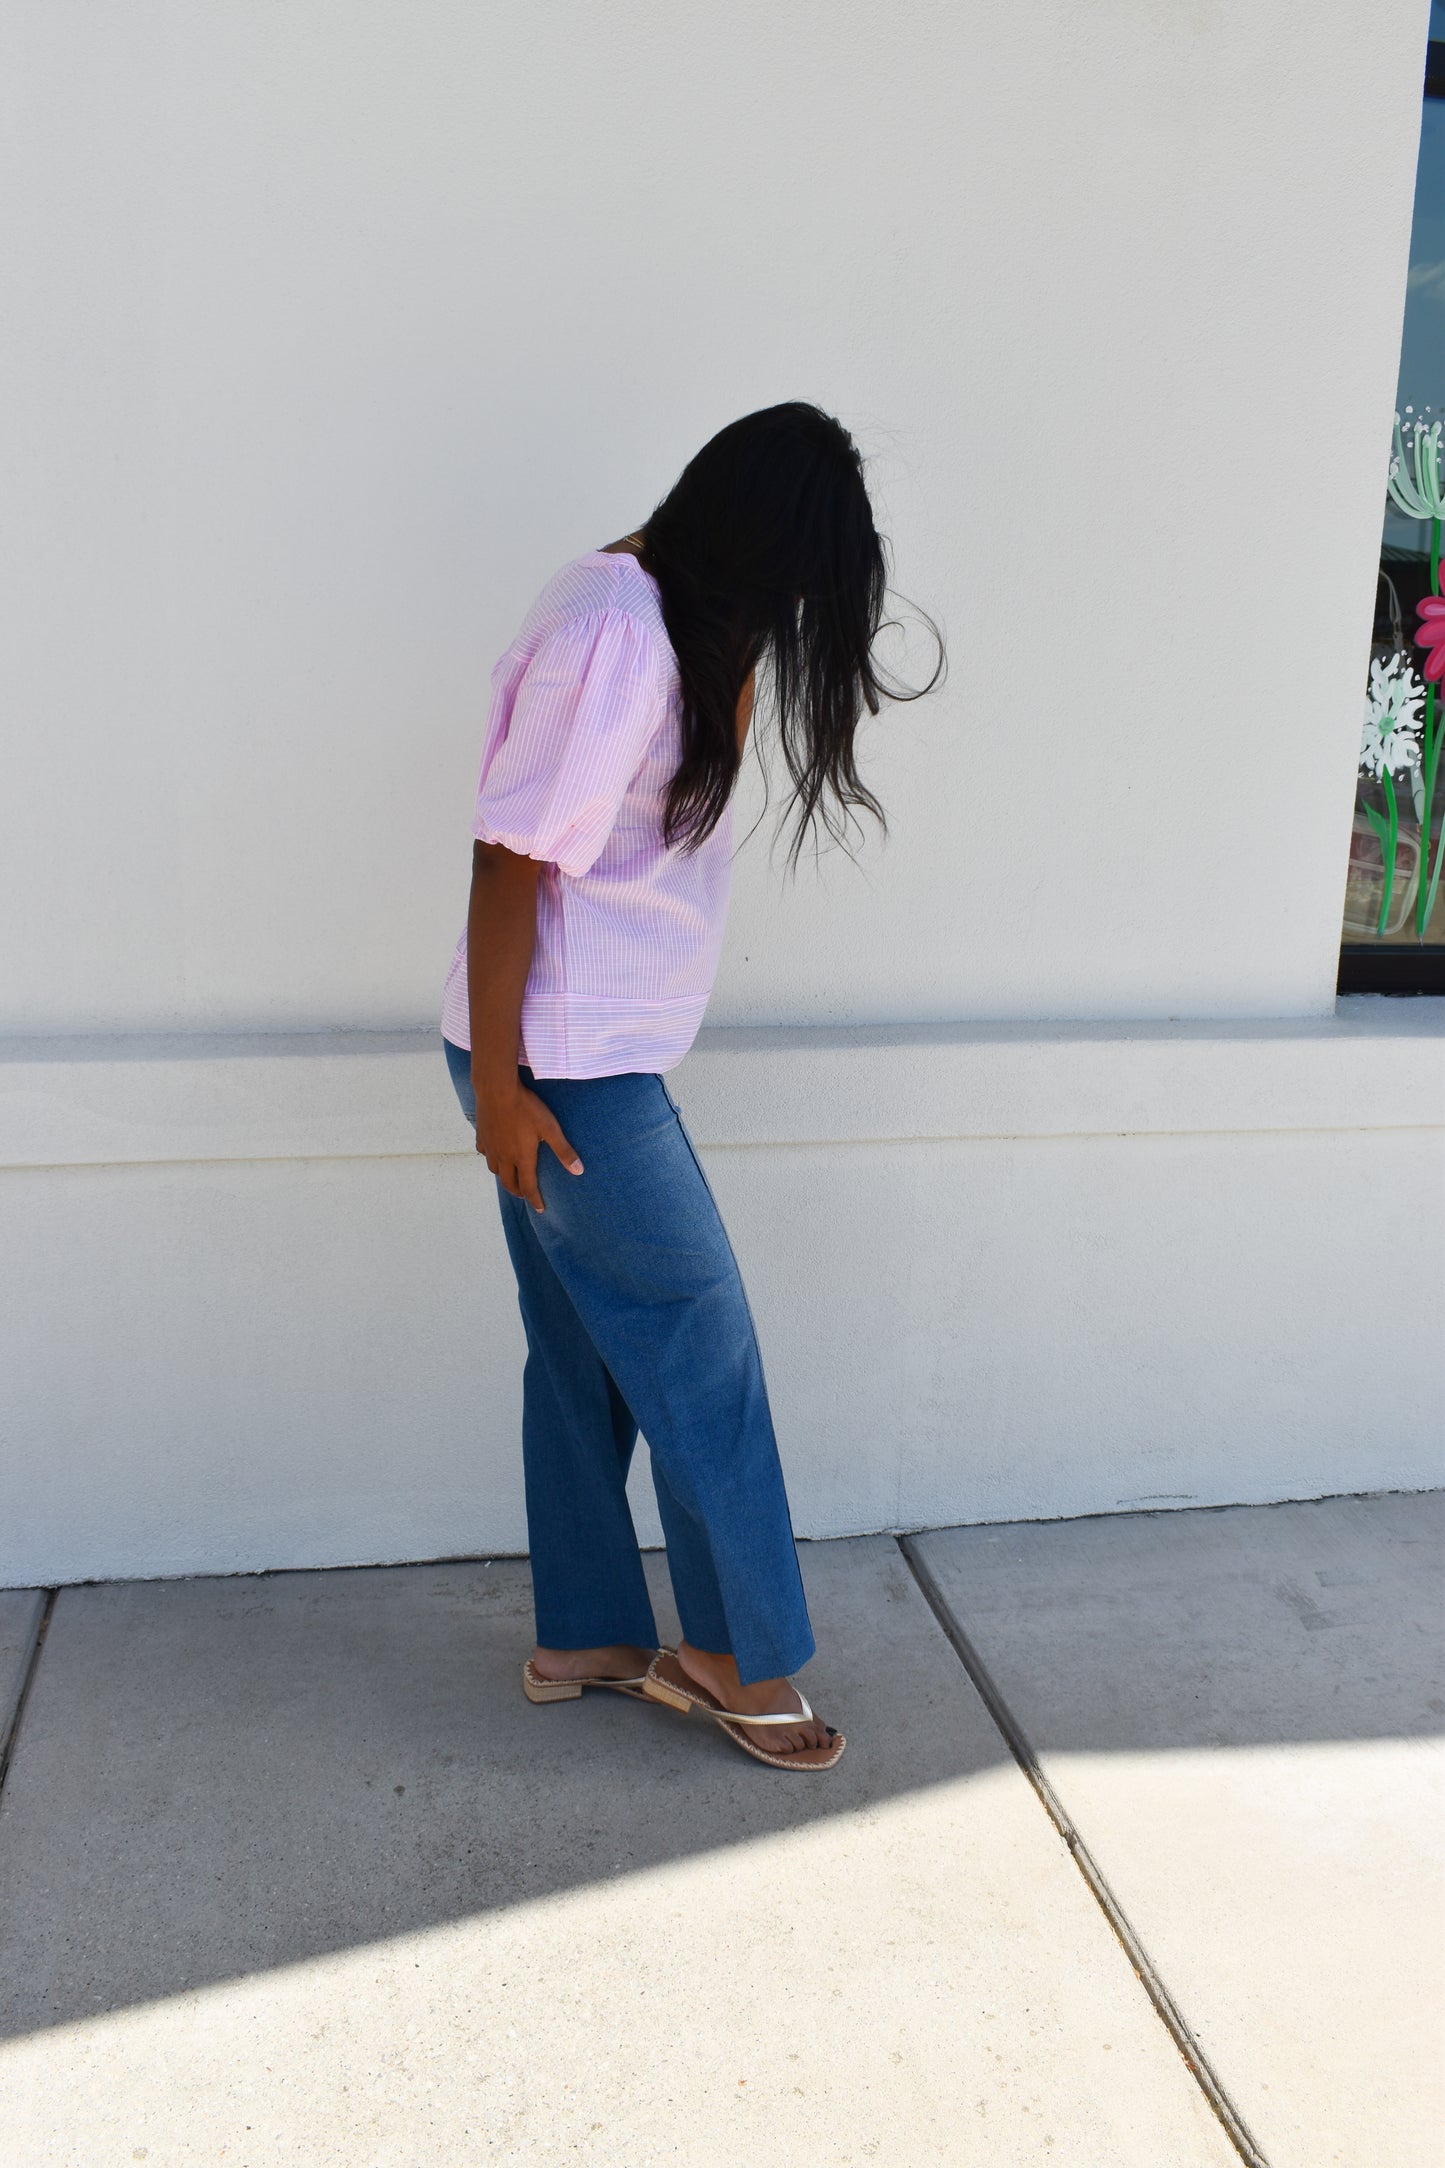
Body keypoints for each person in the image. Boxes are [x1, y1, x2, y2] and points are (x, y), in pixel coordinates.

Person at [441, 401, 939, 1771]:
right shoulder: (613, 622)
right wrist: (499, 1086)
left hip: (576, 1058)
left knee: (586, 1354)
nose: (794, 610)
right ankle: (731, 1657)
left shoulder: (656, 619)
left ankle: (586, 1636)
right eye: (796, 573)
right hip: (560, 1070)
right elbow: (507, 859)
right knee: (702, 1351)